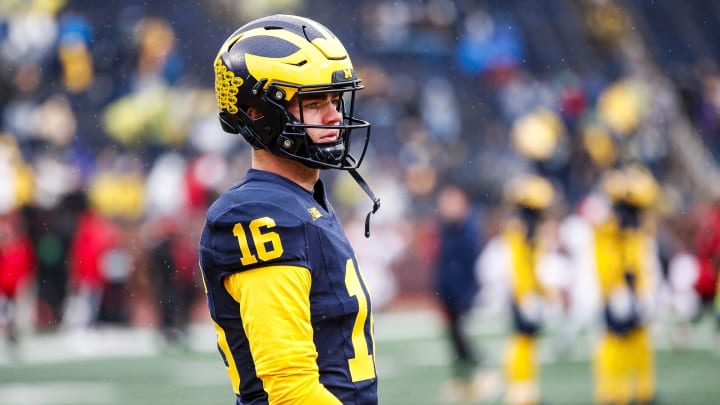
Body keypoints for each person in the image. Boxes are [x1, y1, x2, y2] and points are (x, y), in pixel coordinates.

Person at [198, 14, 380, 405]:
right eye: (314, 104)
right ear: (257, 112)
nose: (334, 116)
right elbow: (290, 391)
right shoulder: (258, 213)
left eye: (334, 100)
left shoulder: (302, 199)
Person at [591, 164, 660, 405]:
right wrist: (615, 288)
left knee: (637, 338)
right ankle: (612, 394)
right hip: (616, 291)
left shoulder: (633, 225)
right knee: (615, 339)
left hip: (631, 289)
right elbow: (607, 259)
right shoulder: (610, 227)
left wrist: (644, 289)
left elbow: (638, 258)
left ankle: (641, 392)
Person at [433, 184, 483, 401]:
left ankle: (479, 371)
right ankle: (464, 378)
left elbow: (464, 264)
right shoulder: (448, 228)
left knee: (460, 336)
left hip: (462, 292)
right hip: (449, 292)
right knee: (454, 337)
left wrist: (463, 292)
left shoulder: (467, 227)